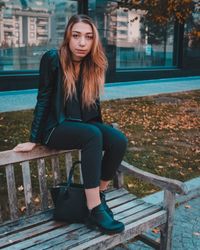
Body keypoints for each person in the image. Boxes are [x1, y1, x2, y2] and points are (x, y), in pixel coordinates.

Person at [13, 14, 127, 234]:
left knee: (118, 140)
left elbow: (93, 104)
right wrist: (33, 139)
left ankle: (99, 196)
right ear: (68, 37)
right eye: (76, 36)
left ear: (94, 41)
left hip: (83, 124)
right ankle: (94, 209)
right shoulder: (53, 59)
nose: (82, 43)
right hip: (56, 127)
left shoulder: (92, 64)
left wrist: (103, 131)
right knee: (92, 135)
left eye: (88, 37)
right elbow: (44, 98)